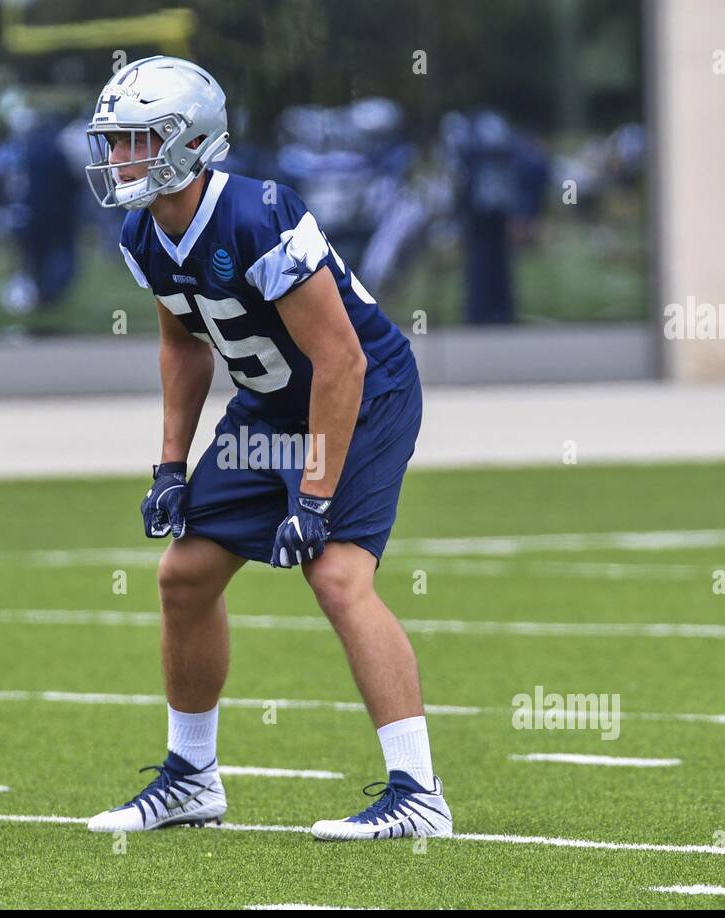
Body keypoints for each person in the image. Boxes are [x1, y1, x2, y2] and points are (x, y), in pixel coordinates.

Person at [83, 56, 451, 841]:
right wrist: (170, 468)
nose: (117, 160)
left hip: (362, 392)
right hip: (272, 406)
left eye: (134, 141)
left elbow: (343, 360)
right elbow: (185, 348)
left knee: (338, 573)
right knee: (183, 574)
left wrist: (314, 497)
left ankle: (418, 789)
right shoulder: (144, 232)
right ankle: (192, 777)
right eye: (113, 143)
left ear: (188, 143)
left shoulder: (258, 216)